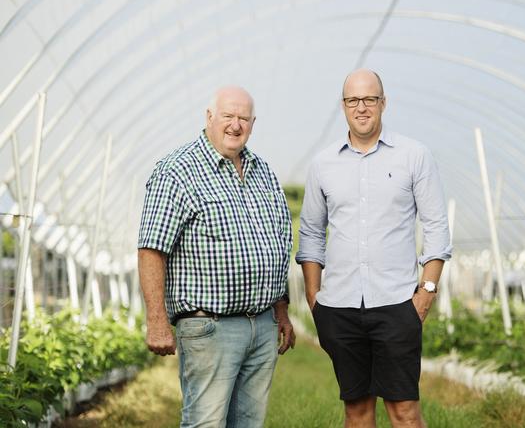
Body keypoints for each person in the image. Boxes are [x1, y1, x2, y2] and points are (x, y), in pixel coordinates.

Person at [296, 69, 452, 427]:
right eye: (353, 100)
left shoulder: (414, 155)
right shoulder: (323, 165)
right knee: (357, 410)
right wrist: (314, 297)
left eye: (370, 99)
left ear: (383, 103)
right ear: (343, 106)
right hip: (340, 307)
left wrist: (426, 292)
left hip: (398, 304)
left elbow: (436, 227)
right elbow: (311, 233)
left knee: (405, 411)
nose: (361, 107)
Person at [137, 86, 295, 428]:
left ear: (253, 123)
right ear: (209, 117)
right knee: (206, 423)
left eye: (243, 118)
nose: (235, 125)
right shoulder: (177, 171)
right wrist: (157, 320)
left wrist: (281, 309)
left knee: (249, 423)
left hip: (262, 326)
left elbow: (280, 242)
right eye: (228, 116)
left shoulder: (262, 171)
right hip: (210, 327)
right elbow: (151, 249)